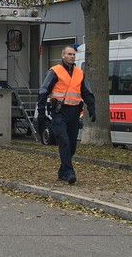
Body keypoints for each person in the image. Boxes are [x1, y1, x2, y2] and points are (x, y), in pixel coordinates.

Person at [36, 45, 96, 185]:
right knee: (64, 141)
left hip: (74, 112)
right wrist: (41, 111)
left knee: (72, 145)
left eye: (73, 54)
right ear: (63, 56)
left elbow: (86, 92)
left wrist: (92, 107)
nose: (72, 56)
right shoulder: (54, 71)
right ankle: (69, 172)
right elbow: (43, 91)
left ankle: (62, 172)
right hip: (59, 112)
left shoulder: (79, 73)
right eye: (69, 54)